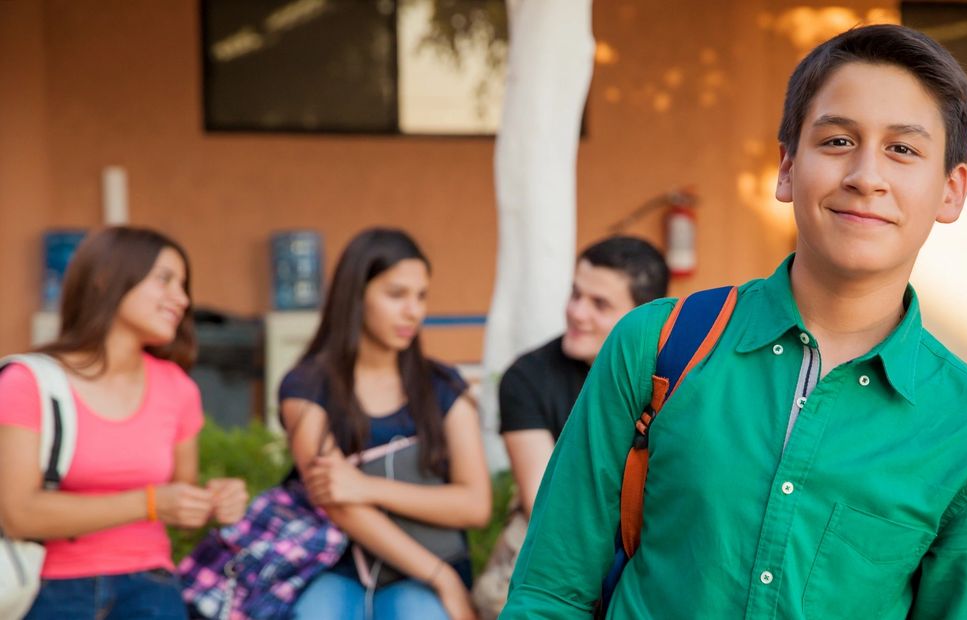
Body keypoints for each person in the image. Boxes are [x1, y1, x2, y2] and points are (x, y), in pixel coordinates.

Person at [503, 24, 967, 619]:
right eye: (837, 141)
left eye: (903, 149)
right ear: (786, 168)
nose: (865, 176)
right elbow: (550, 591)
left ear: (951, 191)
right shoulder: (656, 346)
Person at [0, 226, 248, 620]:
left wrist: (213, 501)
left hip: (151, 590)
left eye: (184, 285)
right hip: (49, 591)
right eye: (165, 279)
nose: (182, 299)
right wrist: (148, 503)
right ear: (105, 280)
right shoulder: (29, 383)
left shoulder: (177, 388)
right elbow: (18, 514)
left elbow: (178, 506)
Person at [279, 228, 489, 620]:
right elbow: (337, 503)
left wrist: (366, 486)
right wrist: (441, 577)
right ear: (356, 296)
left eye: (421, 296)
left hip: (427, 565)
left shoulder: (443, 388)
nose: (414, 311)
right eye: (396, 295)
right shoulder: (306, 387)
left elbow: (475, 505)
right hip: (334, 565)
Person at [499, 236, 669, 517]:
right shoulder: (527, 377)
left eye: (599, 304)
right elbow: (543, 505)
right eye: (575, 294)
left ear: (643, 318)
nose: (577, 313)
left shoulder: (676, 374)